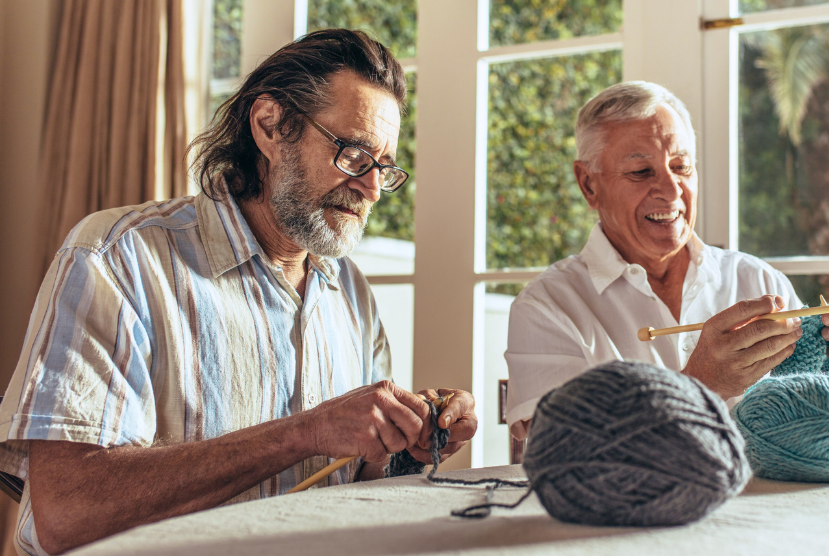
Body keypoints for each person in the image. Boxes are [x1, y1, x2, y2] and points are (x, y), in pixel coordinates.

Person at [0, 29, 477, 555]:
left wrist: (410, 439)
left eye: (383, 168)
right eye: (353, 154)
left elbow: (356, 484)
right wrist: (304, 433)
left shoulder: (351, 293)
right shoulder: (116, 257)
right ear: (270, 126)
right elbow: (68, 513)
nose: (370, 188)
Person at [504, 81, 829, 440]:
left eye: (681, 166)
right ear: (589, 184)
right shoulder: (547, 306)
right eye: (641, 171)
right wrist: (701, 384)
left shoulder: (758, 281)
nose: (671, 190)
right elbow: (561, 451)